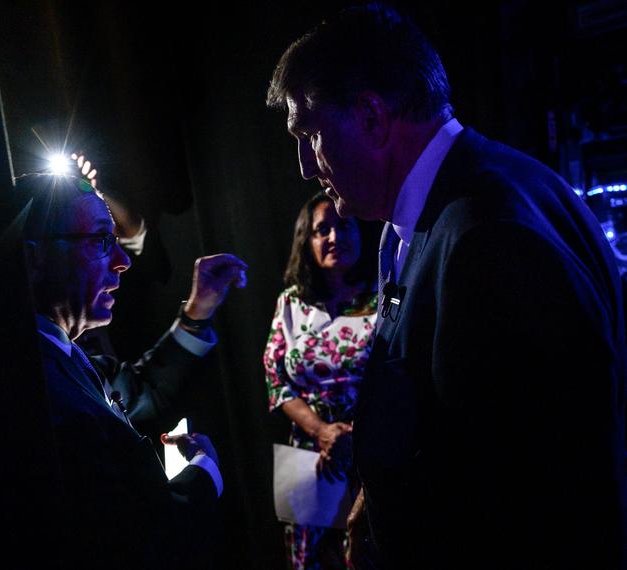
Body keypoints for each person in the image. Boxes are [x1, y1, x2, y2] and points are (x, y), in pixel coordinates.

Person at [267, 3, 627, 569]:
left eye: (310, 135)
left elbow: (540, 497)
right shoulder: (457, 201)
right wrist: (379, 494)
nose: (306, 168)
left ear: (371, 117)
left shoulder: (490, 236)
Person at [21, 175, 247, 568]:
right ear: (34, 258)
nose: (122, 261)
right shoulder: (37, 389)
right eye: (100, 240)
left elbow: (141, 391)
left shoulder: (66, 355)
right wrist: (205, 473)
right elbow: (139, 542)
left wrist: (198, 311)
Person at [264, 192, 379, 569]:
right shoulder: (291, 303)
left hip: (371, 449)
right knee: (306, 562)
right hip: (307, 450)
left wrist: (351, 436)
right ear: (307, 240)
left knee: (368, 553)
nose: (333, 237)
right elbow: (276, 379)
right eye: (321, 230)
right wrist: (322, 430)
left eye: (342, 225)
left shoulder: (383, 294)